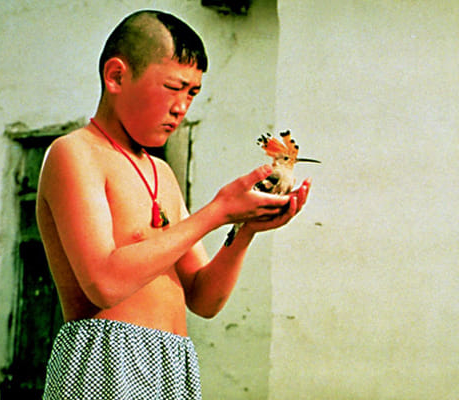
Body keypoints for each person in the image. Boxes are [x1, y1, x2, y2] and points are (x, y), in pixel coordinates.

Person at [37, 9, 311, 399]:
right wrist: (218, 210)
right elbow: (105, 284)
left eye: (193, 93)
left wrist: (244, 228)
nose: (182, 106)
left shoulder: (161, 172)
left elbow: (204, 298)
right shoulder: (74, 153)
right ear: (116, 77)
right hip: (107, 361)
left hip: (172, 362)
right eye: (173, 87)